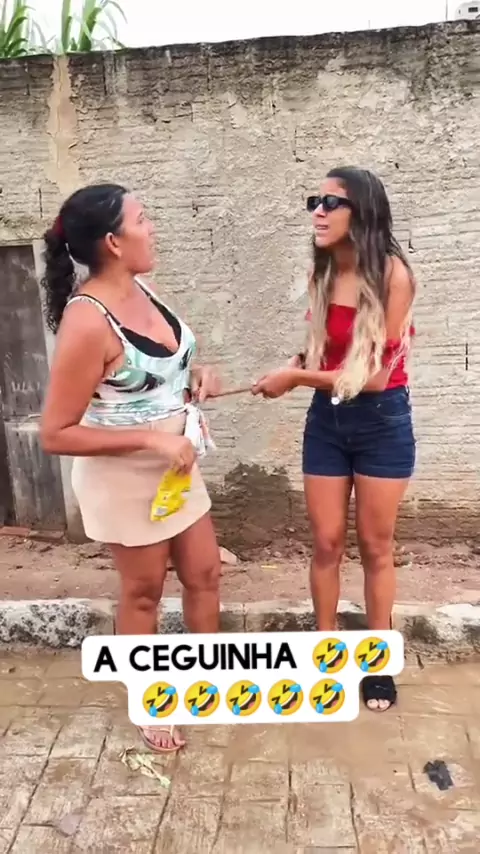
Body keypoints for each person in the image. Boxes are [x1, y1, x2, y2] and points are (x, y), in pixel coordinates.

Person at [40, 183, 222, 752]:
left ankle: (206, 681)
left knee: (205, 574)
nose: (153, 227)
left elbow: (166, 363)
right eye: (143, 219)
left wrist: (198, 374)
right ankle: (151, 700)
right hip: (124, 476)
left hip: (175, 466)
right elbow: (55, 433)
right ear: (114, 242)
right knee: (144, 592)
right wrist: (151, 439)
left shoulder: (143, 288)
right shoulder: (87, 321)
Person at [252, 167, 416, 713]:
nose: (318, 212)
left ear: (362, 212)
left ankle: (377, 661)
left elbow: (374, 376)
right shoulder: (323, 270)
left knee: (375, 546)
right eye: (314, 202)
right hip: (328, 419)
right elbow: (327, 352)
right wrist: (296, 364)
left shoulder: (393, 275)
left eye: (331, 203)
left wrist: (296, 378)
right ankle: (326, 650)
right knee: (325, 543)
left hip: (381, 420)